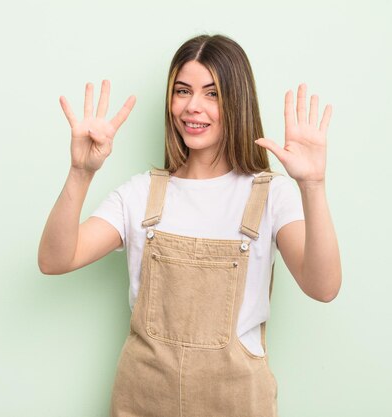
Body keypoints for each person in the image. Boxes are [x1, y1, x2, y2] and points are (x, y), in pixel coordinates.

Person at [38, 34, 341, 417]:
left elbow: (324, 287)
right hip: (142, 399)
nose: (192, 107)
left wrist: (312, 186)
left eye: (211, 93)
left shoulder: (272, 196)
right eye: (182, 91)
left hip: (237, 403)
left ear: (237, 101)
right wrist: (80, 172)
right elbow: (54, 260)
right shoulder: (141, 193)